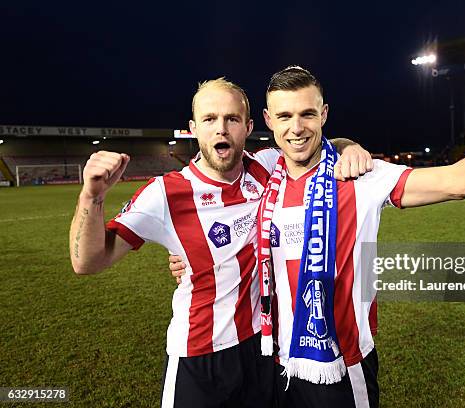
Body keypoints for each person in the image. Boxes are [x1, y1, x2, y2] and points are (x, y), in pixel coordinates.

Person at [170, 66, 465, 408]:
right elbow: (216, 207)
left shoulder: (359, 175)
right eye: (284, 117)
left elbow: (455, 181)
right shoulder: (261, 172)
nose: (296, 128)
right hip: (273, 363)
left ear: (325, 113)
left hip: (340, 364)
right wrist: (189, 260)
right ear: (267, 120)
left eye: (308, 114)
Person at [68, 77, 372, 408]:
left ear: (249, 126)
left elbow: (316, 144)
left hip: (262, 350)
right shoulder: (164, 194)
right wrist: (91, 197)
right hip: (199, 360)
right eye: (210, 119)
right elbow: (88, 262)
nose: (221, 129)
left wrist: (348, 147)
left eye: (232, 119)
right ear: (193, 127)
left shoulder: (267, 166)